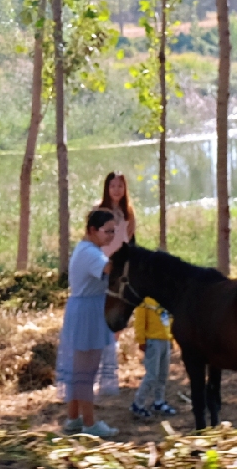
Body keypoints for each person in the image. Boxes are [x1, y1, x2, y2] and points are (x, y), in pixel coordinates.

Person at [57, 208, 128, 437]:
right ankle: (89, 424)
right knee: (86, 371)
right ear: (92, 230)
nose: (110, 236)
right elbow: (110, 269)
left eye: (113, 232)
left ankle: (73, 418)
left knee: (80, 369)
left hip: (87, 310)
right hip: (88, 313)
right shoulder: (90, 253)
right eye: (107, 231)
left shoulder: (88, 249)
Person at [129, 295, 178, 419]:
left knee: (163, 374)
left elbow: (169, 319)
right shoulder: (145, 301)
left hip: (165, 340)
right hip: (152, 341)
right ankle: (138, 404)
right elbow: (139, 321)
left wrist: (171, 337)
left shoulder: (165, 298)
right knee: (152, 375)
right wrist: (141, 340)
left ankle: (159, 402)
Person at [98, 172, 138, 243]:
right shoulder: (98, 210)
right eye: (112, 186)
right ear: (107, 189)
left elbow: (131, 236)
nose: (116, 190)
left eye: (120, 186)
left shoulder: (129, 211)